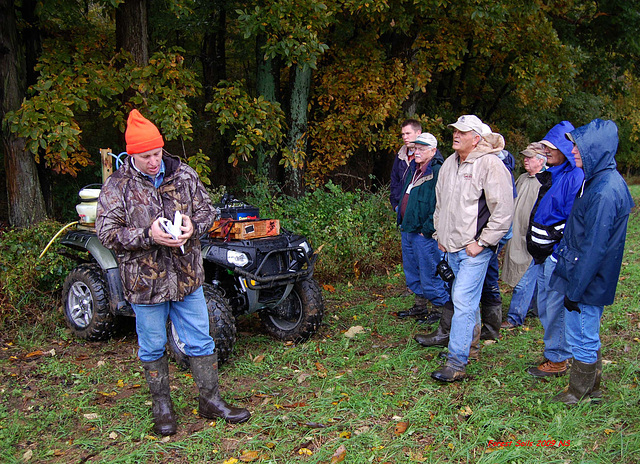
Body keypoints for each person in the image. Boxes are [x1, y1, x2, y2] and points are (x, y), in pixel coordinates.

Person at [96, 109, 250, 436]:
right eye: (145, 156)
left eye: (157, 153)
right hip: (145, 282)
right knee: (152, 346)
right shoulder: (118, 185)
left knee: (201, 339)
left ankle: (210, 401)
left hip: (187, 278)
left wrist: (194, 225)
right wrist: (146, 235)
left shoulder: (184, 175)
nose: (154, 161)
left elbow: (208, 211)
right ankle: (162, 408)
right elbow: (107, 233)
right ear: (132, 154)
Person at [415, 115, 514, 382]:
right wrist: (439, 232)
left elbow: (503, 211)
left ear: (476, 138)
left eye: (463, 131)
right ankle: (470, 347)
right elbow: (441, 203)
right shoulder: (449, 163)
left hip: (475, 250)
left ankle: (456, 362)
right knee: (465, 303)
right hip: (450, 247)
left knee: (463, 301)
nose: (456, 134)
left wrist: (482, 243)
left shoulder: (491, 165)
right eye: (455, 130)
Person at [550, 119, 633, 404]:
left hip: (588, 277)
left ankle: (580, 391)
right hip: (583, 272)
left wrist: (575, 289)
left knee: (583, 333)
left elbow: (594, 248)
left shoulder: (604, 191)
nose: (572, 151)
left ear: (595, 150)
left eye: (577, 147)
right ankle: (592, 388)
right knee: (584, 331)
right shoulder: (596, 180)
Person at [525, 121, 584, 378]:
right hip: (543, 253)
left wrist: (558, 252)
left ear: (566, 147)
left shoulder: (575, 177)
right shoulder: (555, 174)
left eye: (551, 147)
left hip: (556, 254)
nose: (547, 152)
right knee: (544, 303)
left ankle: (558, 358)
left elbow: (573, 220)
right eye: (545, 147)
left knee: (554, 306)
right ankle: (556, 350)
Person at [395, 133, 451, 324]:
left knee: (430, 272)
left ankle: (439, 310)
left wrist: (427, 228)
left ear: (433, 151)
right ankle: (420, 306)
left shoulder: (437, 171)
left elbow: (440, 204)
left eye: (421, 149)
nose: (416, 152)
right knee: (412, 270)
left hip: (424, 234)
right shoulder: (414, 168)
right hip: (408, 229)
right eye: (415, 148)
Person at [500, 143, 547, 329]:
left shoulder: (546, 182)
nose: (525, 160)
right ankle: (534, 308)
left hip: (533, 238)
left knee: (524, 278)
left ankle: (514, 317)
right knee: (527, 275)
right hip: (517, 236)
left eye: (530, 157)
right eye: (525, 157)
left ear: (541, 160)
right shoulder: (521, 178)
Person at [390, 119, 422, 213]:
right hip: (402, 210)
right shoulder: (401, 155)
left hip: (418, 211)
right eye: (403, 134)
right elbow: (394, 180)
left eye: (408, 133)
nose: (405, 137)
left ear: (418, 133)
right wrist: (395, 204)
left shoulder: (428, 155)